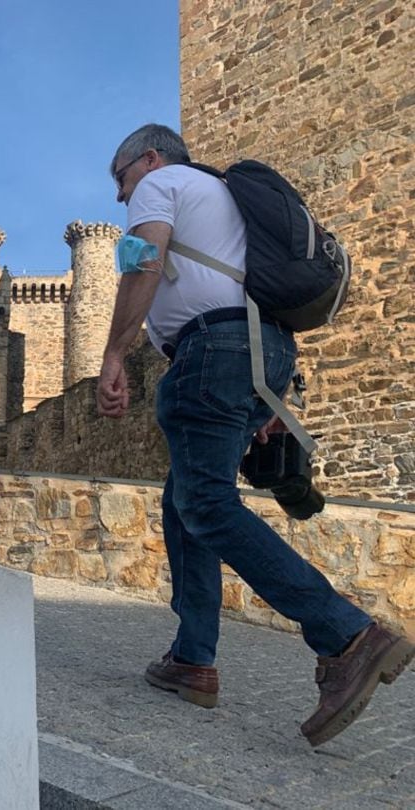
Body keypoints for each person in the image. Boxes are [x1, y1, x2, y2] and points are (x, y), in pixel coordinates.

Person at [97, 123, 413, 746]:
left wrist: (114, 352)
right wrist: (273, 388)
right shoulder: (222, 198)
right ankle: (192, 657)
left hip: (211, 349)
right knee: (184, 498)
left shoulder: (158, 184)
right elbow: (253, 291)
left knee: (205, 503)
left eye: (119, 178)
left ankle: (346, 635)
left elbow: (145, 259)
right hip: (259, 347)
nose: (119, 196)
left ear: (150, 158)